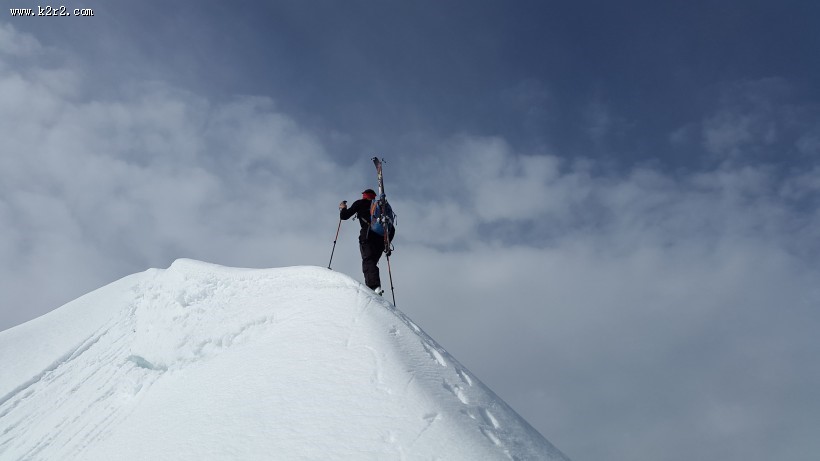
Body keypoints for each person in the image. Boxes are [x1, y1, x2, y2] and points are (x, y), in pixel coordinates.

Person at [339, 189, 390, 295]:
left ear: (364, 195)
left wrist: (343, 208)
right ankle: (375, 286)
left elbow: (344, 216)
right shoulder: (380, 206)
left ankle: (374, 287)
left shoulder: (360, 203)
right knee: (372, 262)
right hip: (382, 238)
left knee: (368, 260)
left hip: (368, 234)